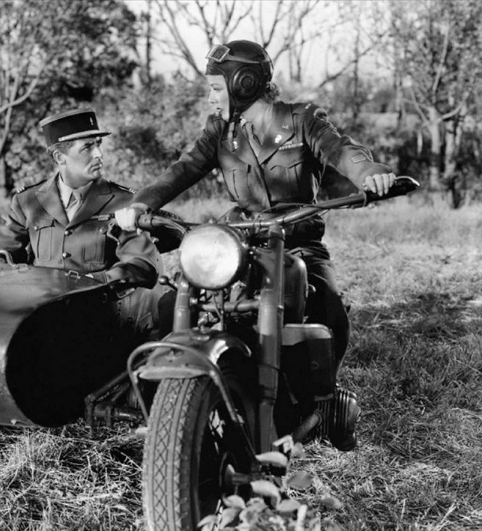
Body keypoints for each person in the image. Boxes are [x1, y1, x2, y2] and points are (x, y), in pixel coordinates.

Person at [115, 40, 396, 451]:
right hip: (240, 243)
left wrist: (370, 172)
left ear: (242, 83)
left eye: (215, 87)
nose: (211, 97)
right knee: (194, 297)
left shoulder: (302, 120)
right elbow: (185, 168)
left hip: (298, 243)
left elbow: (341, 150)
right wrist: (142, 203)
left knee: (330, 309)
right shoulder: (221, 132)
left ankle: (321, 401)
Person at [0, 107, 163, 339]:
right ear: (59, 157)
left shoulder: (124, 202)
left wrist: (93, 283)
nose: (99, 154)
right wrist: (19, 279)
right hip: (37, 316)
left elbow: (142, 265)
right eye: (87, 147)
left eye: (98, 144)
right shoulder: (28, 201)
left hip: (98, 319)